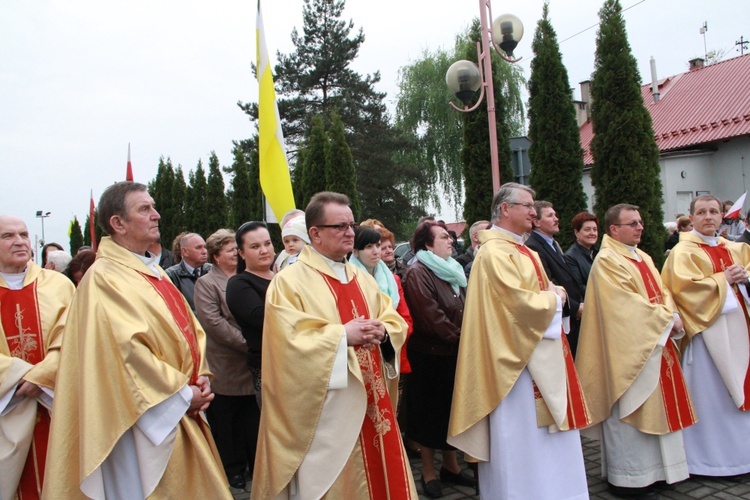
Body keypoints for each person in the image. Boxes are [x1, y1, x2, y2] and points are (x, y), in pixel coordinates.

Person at [42, 182, 230, 499]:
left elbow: (191, 330)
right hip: (139, 419)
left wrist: (202, 378)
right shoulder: (105, 278)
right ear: (118, 223)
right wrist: (182, 394)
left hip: (178, 403)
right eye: (144, 209)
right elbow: (122, 354)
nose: (156, 214)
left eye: (153, 206)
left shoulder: (150, 272)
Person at [251, 192, 416, 499]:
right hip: (329, 414)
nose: (350, 232)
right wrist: (342, 337)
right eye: (340, 226)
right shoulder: (289, 283)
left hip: (373, 403)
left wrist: (383, 331)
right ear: (315, 233)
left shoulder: (360, 276)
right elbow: (287, 346)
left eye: (351, 225)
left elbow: (393, 319)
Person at [448, 183, 589, 500]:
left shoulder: (524, 250)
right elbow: (516, 307)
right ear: (505, 209)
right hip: (515, 367)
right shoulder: (495, 253)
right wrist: (555, 298)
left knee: (547, 443)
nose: (532, 212)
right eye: (526, 205)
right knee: (522, 440)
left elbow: (543, 292)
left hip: (542, 355)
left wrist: (554, 295)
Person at [576, 203, 696, 498]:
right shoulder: (607, 261)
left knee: (658, 409)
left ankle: (657, 472)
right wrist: (665, 319)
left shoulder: (641, 256)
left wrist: (670, 313)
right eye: (632, 223)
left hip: (654, 345)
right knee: (630, 410)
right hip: (626, 351)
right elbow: (621, 306)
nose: (640, 227)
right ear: (614, 229)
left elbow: (663, 291)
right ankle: (628, 478)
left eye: (640, 222)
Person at [661, 194, 750, 477]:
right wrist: (725, 279)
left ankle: (742, 457)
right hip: (707, 336)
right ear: (692, 217)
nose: (708, 217)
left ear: (722, 216)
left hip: (741, 329)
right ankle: (708, 461)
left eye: (713, 211)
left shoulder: (736, 248)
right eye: (701, 212)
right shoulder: (682, 252)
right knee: (713, 397)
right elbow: (684, 291)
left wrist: (745, 278)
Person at [0, 215, 74, 500]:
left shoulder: (58, 285)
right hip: (8, 408)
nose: (19, 241)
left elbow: (73, 338)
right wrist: (21, 379)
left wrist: (42, 378)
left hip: (56, 406)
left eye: (23, 234)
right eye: (8, 236)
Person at [401, 220, 473, 498]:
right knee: (428, 415)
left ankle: (451, 466)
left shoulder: (453, 270)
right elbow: (430, 317)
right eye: (443, 237)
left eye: (449, 237)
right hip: (430, 356)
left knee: (451, 412)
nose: (450, 241)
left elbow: (464, 306)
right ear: (427, 244)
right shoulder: (418, 272)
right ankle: (428, 471)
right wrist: (462, 338)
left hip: (454, 353)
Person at [194, 229, 259, 490]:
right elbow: (213, 323)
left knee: (253, 419)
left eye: (237, 248)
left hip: (253, 364)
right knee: (227, 420)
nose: (235, 253)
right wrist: (250, 343)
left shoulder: (247, 279)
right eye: (230, 249)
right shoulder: (207, 283)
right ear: (216, 256)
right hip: (227, 364)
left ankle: (256, 466)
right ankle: (233, 471)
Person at [226, 222, 275, 407]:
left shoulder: (284, 277)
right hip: (269, 366)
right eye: (255, 246)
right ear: (241, 253)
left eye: (267, 244)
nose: (264, 250)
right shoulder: (239, 284)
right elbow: (261, 318)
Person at [526, 201, 585, 357]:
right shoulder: (534, 247)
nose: (556, 219)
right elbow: (548, 282)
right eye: (550, 215)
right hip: (562, 317)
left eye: (555, 214)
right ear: (537, 222)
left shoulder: (552, 244)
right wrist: (575, 307)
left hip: (570, 317)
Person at [165, 232, 211, 311]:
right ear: (185, 252)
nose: (204, 251)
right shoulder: (171, 275)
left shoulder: (213, 271)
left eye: (205, 247)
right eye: (198, 248)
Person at [564, 212, 600, 301]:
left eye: (595, 229)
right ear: (576, 233)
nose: (592, 233)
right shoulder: (570, 257)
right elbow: (578, 288)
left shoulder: (599, 253)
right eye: (587, 230)